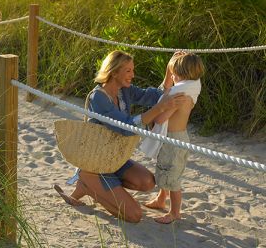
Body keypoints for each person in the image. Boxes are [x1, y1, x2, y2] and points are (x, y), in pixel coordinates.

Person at [54, 50, 187, 223]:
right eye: (128, 71)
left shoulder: (125, 91)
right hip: (95, 162)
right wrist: (160, 109)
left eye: (132, 70)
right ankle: (88, 180)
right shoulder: (98, 98)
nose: (133, 75)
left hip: (113, 159)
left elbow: (154, 96)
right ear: (114, 72)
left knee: (147, 182)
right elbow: (126, 128)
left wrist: (170, 71)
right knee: (134, 216)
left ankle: (95, 187)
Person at [143, 52, 204, 224]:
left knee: (172, 177)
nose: (172, 78)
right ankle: (161, 199)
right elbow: (169, 89)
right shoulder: (189, 92)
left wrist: (156, 114)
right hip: (177, 137)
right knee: (165, 169)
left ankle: (175, 212)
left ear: (181, 75)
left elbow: (161, 118)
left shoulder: (179, 97)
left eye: (174, 74)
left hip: (174, 140)